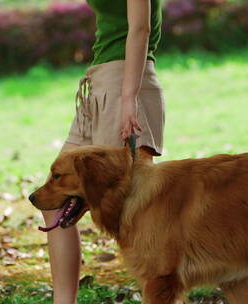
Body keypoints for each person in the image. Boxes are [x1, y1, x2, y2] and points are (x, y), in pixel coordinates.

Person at [41, 0, 164, 303]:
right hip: (99, 85)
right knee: (54, 198)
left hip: (124, 84)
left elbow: (140, 27)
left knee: (135, 210)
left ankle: (164, 293)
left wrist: (127, 98)